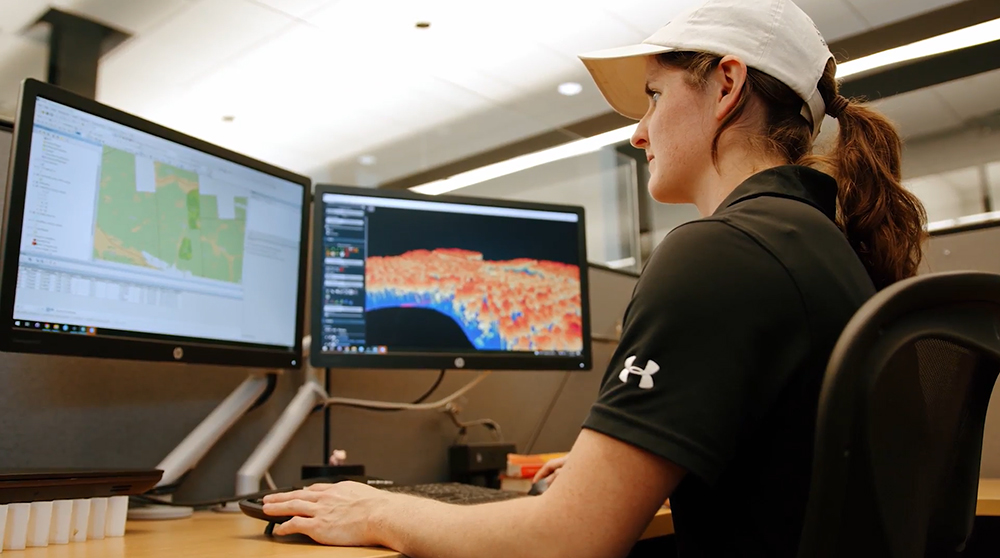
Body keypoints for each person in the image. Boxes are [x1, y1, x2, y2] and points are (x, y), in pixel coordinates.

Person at [262, 0, 926, 555]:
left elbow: (569, 540)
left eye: (654, 97)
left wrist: (376, 512)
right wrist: (608, 467)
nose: (638, 133)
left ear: (727, 86)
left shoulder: (725, 252)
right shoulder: (813, 241)